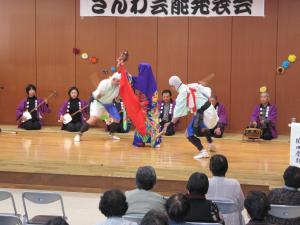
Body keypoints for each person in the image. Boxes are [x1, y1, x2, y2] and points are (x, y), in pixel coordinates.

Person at [167, 75, 217, 159]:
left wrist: (171, 124)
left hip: (203, 114)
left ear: (173, 86)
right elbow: (208, 91)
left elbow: (177, 114)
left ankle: (203, 152)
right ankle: (211, 144)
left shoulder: (182, 94)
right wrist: (204, 85)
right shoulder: (192, 85)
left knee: (188, 134)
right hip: (211, 110)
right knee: (203, 127)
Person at [74, 72, 121, 142]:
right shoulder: (104, 83)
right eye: (117, 81)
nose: (118, 83)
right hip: (98, 103)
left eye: (119, 81)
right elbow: (97, 96)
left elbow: (116, 98)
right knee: (93, 119)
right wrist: (100, 94)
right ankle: (79, 134)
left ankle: (112, 133)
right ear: (113, 79)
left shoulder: (118, 86)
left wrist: (118, 100)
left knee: (117, 118)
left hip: (109, 104)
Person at [207, 154, 245, 225]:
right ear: (227, 168)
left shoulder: (206, 183)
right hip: (232, 221)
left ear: (210, 168)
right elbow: (241, 206)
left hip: (211, 220)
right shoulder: (234, 183)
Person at [130, 63, 161, 148]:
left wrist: (147, 106)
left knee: (149, 123)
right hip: (146, 108)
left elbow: (153, 97)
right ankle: (153, 142)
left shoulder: (142, 81)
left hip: (148, 108)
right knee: (146, 124)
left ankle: (145, 142)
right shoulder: (148, 82)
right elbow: (129, 78)